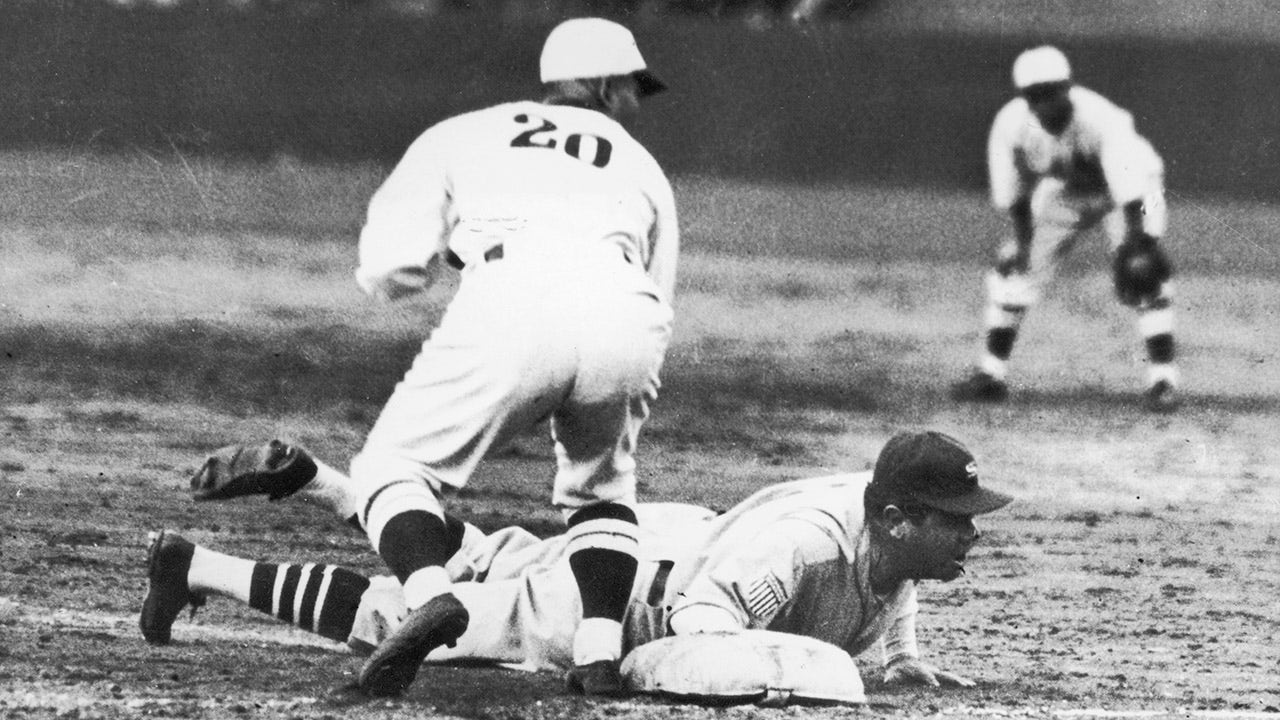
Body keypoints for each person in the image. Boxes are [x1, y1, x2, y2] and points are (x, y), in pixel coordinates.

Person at [339, 17, 678, 697]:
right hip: (627, 309)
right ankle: (598, 655)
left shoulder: (466, 130)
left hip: (514, 297)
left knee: (390, 469)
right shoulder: (644, 167)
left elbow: (389, 267)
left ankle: (431, 595)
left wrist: (436, 263)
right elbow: (658, 290)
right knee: (603, 489)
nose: (635, 101)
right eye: (632, 87)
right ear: (606, 84)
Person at [146, 430, 1014, 694]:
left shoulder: (878, 527)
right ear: (898, 517)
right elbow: (694, 630)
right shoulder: (796, 549)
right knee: (404, 616)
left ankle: (325, 483)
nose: (973, 535)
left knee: (487, 554)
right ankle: (200, 569)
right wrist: (644, 670)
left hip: (660, 541)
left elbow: (893, 574)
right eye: (958, 522)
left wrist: (902, 658)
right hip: (636, 592)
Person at [950, 45, 1180, 412]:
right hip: (1066, 189)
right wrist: (1024, 247)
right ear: (1024, 99)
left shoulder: (1103, 118)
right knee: (1013, 271)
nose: (1045, 104)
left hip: (1141, 190)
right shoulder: (1012, 126)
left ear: (1067, 88)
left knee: (1145, 269)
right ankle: (990, 375)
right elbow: (1017, 198)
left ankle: (1163, 380)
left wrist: (1140, 243)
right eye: (1034, 96)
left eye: (1052, 92)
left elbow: (1133, 190)